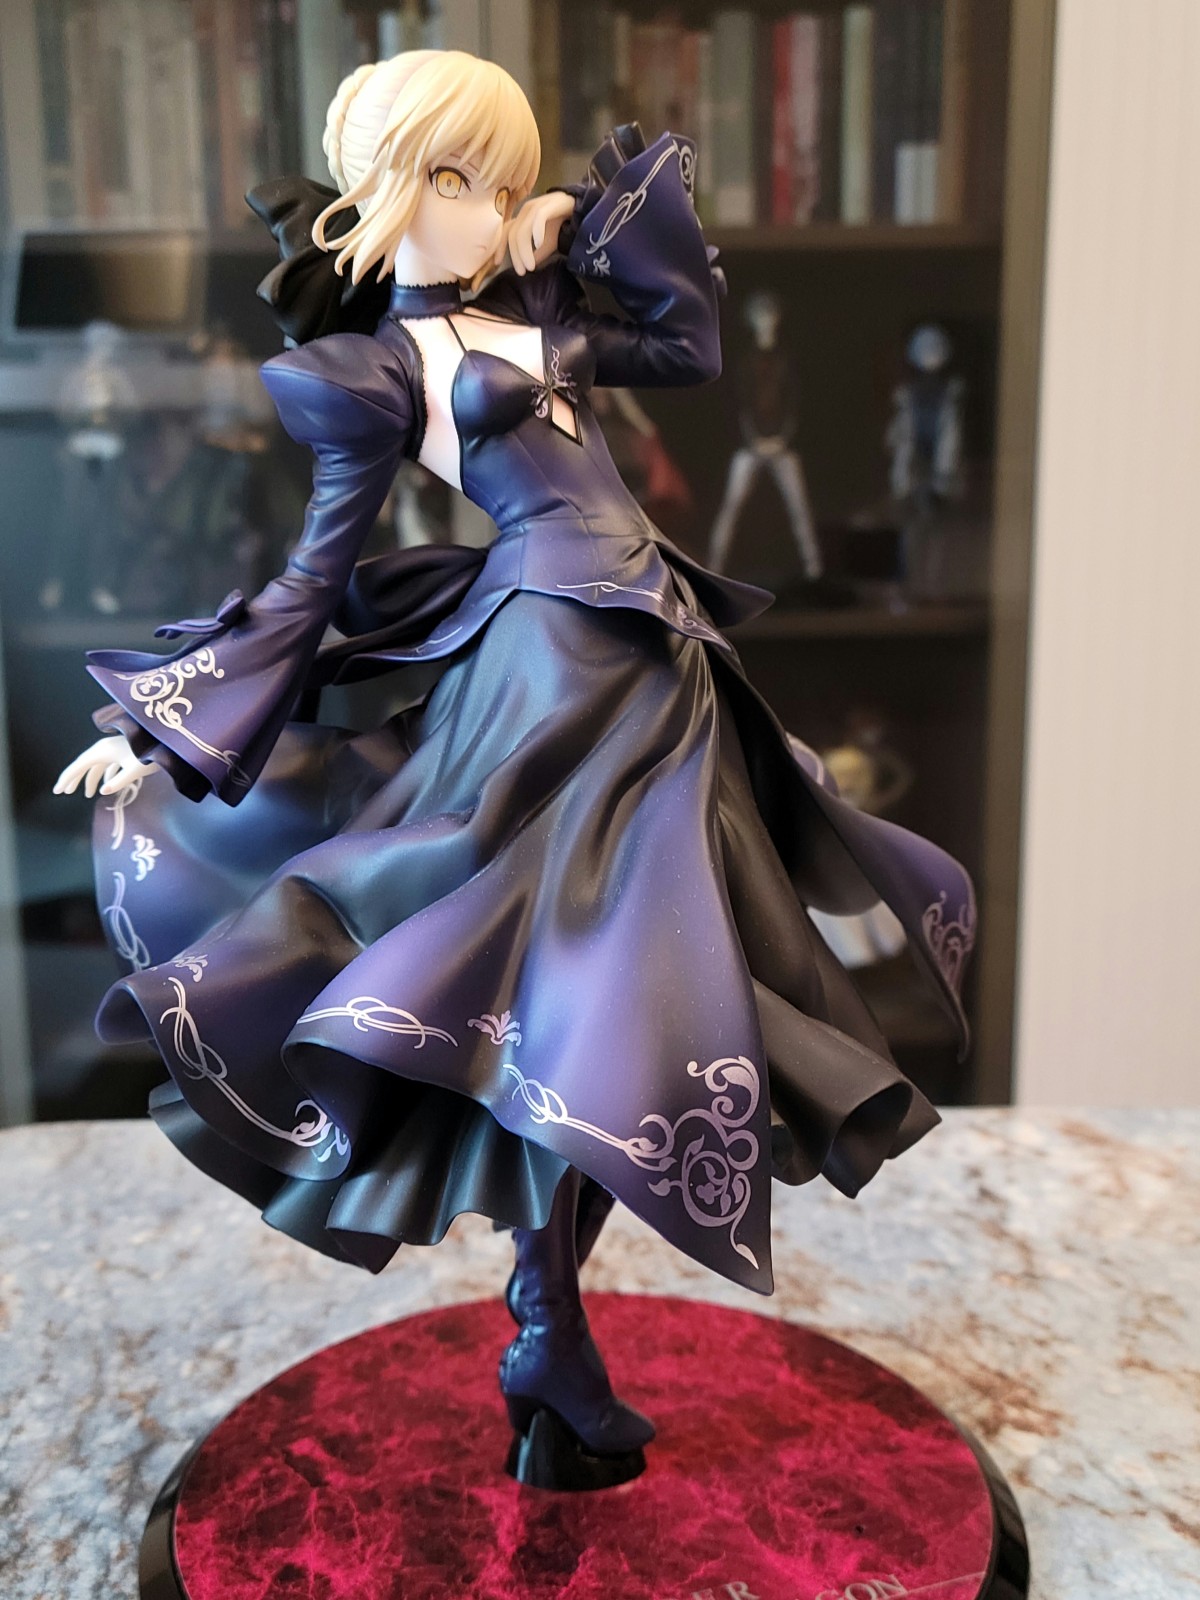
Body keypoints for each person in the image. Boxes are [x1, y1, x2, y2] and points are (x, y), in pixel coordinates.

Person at [54, 50, 976, 1474]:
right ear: (385, 190)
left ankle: (551, 1329)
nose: (486, 206)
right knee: (566, 991)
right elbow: (311, 580)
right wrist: (158, 722)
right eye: (457, 178)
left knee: (636, 1000)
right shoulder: (362, 371)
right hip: (547, 680)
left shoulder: (541, 310)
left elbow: (687, 346)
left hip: (659, 655)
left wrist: (582, 229)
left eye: (497, 179)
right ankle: (549, 1329)